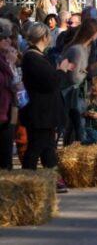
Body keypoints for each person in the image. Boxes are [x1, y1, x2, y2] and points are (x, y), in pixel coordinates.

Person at [20, 23, 73, 192]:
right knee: (36, 146)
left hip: (45, 111)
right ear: (44, 37)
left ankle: (53, 178)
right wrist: (62, 70)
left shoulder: (37, 56)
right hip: (40, 111)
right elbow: (51, 82)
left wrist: (57, 71)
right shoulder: (32, 57)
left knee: (48, 147)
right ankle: (27, 179)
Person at [0, 19, 17, 170]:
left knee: (6, 160)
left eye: (9, 37)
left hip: (7, 112)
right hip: (2, 112)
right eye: (4, 37)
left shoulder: (7, 58)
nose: (8, 40)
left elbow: (16, 86)